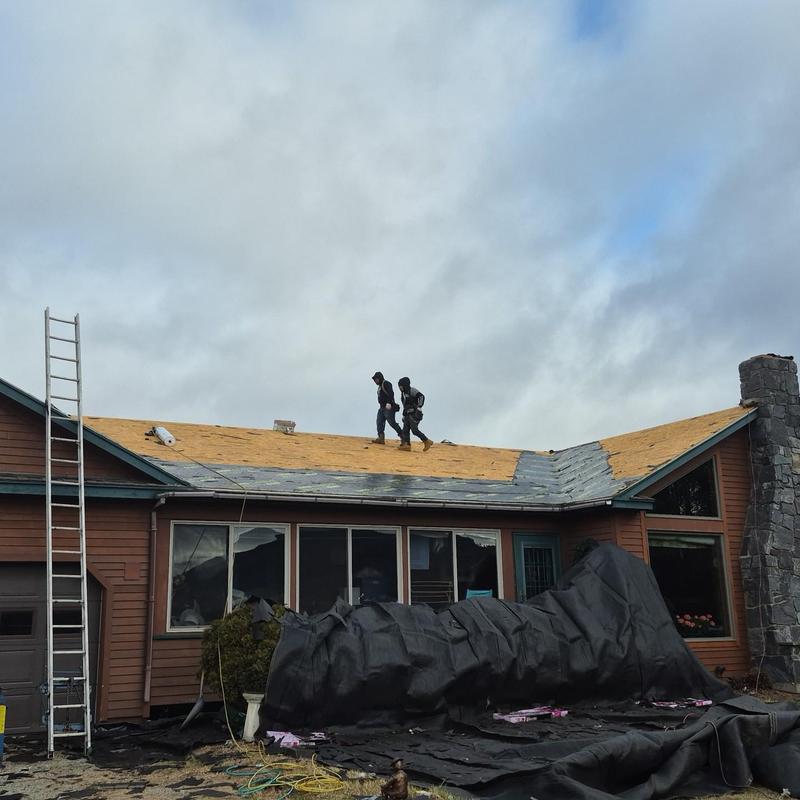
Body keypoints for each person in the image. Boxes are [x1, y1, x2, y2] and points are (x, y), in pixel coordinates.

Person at [397, 377, 433, 452]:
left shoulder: (412, 390)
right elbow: (405, 405)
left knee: (414, 430)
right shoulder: (403, 394)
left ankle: (427, 441)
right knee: (405, 430)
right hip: (407, 414)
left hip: (414, 414)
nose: (399, 388)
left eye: (400, 386)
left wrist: (419, 407)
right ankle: (407, 445)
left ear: (405, 385)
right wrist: (404, 415)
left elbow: (421, 396)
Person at [371, 372, 403, 444]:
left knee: (392, 423)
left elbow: (391, 393)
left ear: (379, 378)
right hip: (382, 408)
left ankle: (403, 437)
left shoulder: (386, 383)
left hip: (389, 408)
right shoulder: (380, 387)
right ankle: (381, 438)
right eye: (374, 380)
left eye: (376, 379)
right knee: (379, 422)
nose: (375, 381)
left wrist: (389, 403)